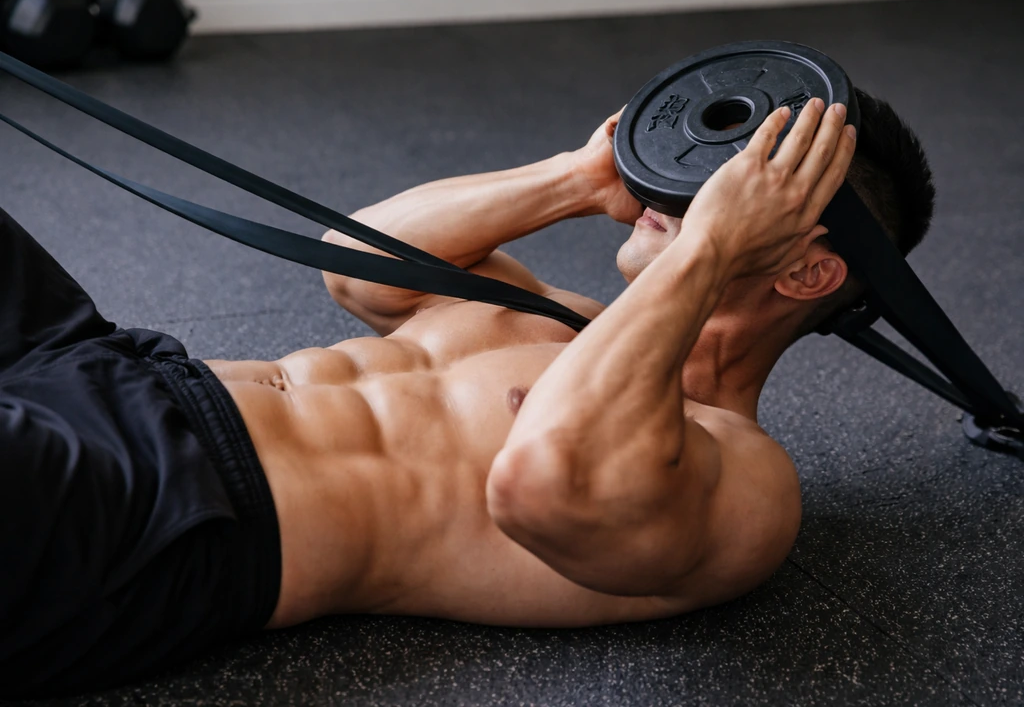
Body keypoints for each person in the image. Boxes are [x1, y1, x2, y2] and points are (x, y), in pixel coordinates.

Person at [0, 91, 934, 697]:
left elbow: (547, 478)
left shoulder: (748, 480)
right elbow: (359, 266)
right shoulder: (558, 314)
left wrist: (708, 244)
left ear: (810, 275)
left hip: (163, 510)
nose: (705, 187)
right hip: (103, 363)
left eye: (751, 185)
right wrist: (576, 178)